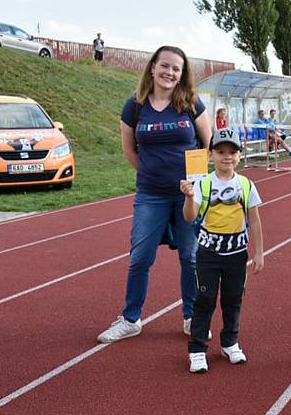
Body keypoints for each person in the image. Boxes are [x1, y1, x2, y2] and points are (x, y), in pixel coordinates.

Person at [97, 45, 212, 343]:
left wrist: (193, 181)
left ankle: (191, 316)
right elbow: (129, 151)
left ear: (182, 74)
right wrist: (151, 174)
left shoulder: (190, 103)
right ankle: (131, 319)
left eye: (177, 68)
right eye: (165, 66)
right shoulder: (134, 106)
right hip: (151, 194)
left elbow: (207, 144)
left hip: (188, 194)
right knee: (140, 257)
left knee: (190, 256)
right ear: (152, 67)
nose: (170, 72)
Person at [180, 128, 264, 373]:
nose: (226, 157)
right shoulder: (202, 184)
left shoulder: (246, 185)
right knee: (204, 300)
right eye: (221, 152)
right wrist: (187, 196)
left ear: (240, 155)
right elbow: (189, 217)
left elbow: (255, 221)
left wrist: (259, 253)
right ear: (210, 155)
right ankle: (197, 349)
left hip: (237, 255)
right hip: (208, 254)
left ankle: (230, 343)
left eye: (232, 152)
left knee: (233, 300)